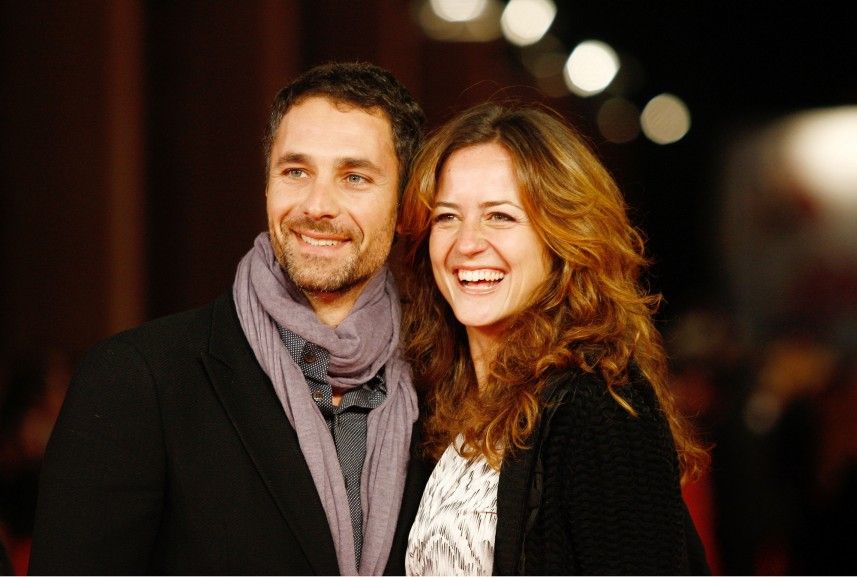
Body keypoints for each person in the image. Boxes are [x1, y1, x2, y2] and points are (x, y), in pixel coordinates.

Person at [29, 61, 428, 575]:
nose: (317, 204)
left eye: (354, 177)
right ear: (266, 186)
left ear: (404, 206)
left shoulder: (443, 382)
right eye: (296, 172)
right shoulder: (140, 378)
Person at [397, 101, 711, 575]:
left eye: (500, 216)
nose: (467, 243)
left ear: (561, 237)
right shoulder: (449, 410)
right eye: (446, 217)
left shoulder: (597, 407)